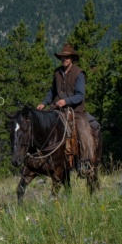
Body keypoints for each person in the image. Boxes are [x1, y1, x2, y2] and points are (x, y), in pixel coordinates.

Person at [36, 42, 95, 173]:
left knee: (84, 132)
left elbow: (80, 95)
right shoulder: (57, 72)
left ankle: (86, 162)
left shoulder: (79, 73)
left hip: (76, 111)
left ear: (72, 59)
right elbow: (52, 91)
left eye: (66, 57)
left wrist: (66, 101)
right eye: (62, 57)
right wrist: (44, 103)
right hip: (57, 109)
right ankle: (41, 158)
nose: (64, 59)